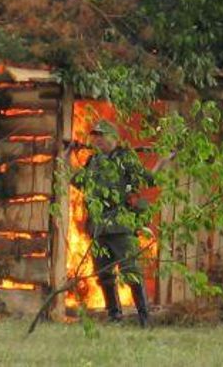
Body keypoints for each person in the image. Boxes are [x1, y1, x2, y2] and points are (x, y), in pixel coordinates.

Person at [73, 119, 170, 327]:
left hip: (120, 224)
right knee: (104, 274)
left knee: (131, 271)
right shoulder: (93, 161)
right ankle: (114, 315)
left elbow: (147, 179)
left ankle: (144, 318)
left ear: (114, 138)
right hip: (98, 226)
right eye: (95, 136)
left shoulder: (126, 159)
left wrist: (162, 161)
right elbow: (78, 182)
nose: (97, 140)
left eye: (102, 135)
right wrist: (64, 157)